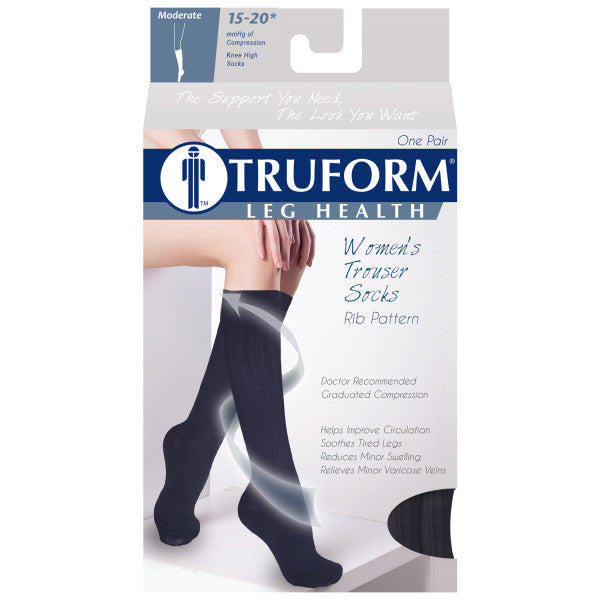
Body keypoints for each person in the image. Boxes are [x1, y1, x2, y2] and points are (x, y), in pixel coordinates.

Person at [143, 129, 342, 588]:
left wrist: (267, 192)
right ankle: (275, 497)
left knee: (285, 243)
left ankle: (194, 445)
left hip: (179, 178)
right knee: (254, 237)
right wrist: (241, 189)